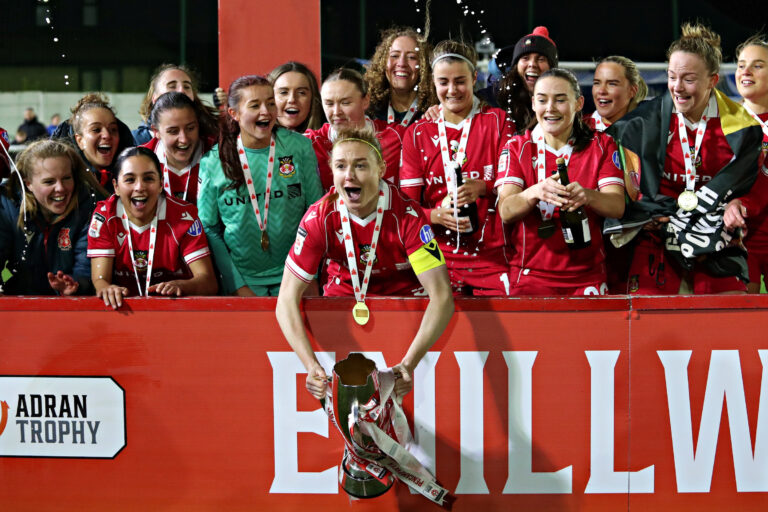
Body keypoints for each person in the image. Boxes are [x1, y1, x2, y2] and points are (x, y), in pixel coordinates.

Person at [276, 127, 453, 399]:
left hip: (402, 306)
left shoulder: (407, 215)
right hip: (344, 300)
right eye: (340, 166)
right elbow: (286, 299)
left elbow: (441, 296)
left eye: (360, 165)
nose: (349, 175)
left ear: (381, 168)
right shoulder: (319, 218)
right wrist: (310, 366)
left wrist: (408, 364)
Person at [606, 23, 762, 295]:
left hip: (715, 239)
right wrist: (644, 207)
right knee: (649, 329)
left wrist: (738, 205)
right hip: (656, 235)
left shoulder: (742, 128)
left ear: (713, 80)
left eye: (688, 79)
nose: (677, 87)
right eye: (671, 77)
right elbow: (607, 164)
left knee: (726, 327)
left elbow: (750, 187)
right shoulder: (646, 120)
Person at [400, 39, 515, 295]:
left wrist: (483, 187)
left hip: (493, 260)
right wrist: (434, 216)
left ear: (475, 78)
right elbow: (406, 208)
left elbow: (516, 190)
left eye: (460, 81)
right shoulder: (417, 133)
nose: (452, 90)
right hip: (436, 259)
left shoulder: (498, 123)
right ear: (433, 82)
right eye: (443, 82)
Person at [496, 69, 626, 295]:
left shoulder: (601, 145)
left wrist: (588, 195)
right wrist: (533, 192)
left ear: (578, 104)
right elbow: (505, 211)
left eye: (560, 100)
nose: (550, 108)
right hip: (530, 275)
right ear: (533, 104)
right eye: (542, 100)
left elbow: (617, 206)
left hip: (587, 276)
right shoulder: (517, 147)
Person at [198, 75, 323, 296]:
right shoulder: (213, 162)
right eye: (255, 105)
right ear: (234, 114)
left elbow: (315, 213)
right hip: (244, 281)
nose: (266, 112)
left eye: (270, 103)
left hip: (296, 274)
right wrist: (236, 284)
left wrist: (309, 274)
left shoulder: (299, 147)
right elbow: (209, 228)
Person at [87, 147, 217, 309]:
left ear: (161, 184)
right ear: (116, 186)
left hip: (175, 309)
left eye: (148, 179)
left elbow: (208, 282)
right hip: (124, 309)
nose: (139, 187)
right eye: (129, 180)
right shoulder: (105, 217)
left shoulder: (184, 216)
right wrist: (107, 289)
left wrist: (183, 286)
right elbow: (100, 280)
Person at [1, 140, 104, 295]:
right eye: (49, 181)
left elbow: (86, 265)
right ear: (28, 183)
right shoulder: (7, 205)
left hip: (71, 307)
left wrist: (74, 283)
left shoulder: (89, 207)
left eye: (66, 178)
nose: (60, 188)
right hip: (18, 304)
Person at [305, 68, 404, 190]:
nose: (336, 112)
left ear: (365, 101)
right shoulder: (310, 143)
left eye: (345, 103)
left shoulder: (397, 136)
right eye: (329, 104)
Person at [723, 35, 768, 293]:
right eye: (741, 65)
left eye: (758, 65)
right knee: (743, 322)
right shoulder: (723, 122)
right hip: (737, 238)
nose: (746, 71)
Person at [141, 92, 217, 204]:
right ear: (156, 131)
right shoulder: (140, 160)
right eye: (173, 131)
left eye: (190, 128)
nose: (184, 139)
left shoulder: (216, 154)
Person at [51, 93, 134, 194]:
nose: (107, 135)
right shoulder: (62, 186)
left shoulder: (132, 180)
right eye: (96, 129)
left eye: (113, 129)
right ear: (80, 141)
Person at [364, 26, 437, 127]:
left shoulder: (433, 115)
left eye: (411, 57)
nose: (402, 63)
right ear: (382, 63)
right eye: (394, 56)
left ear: (423, 65)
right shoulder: (369, 112)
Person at [133, 64, 219, 146]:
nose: (181, 90)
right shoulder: (134, 141)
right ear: (155, 98)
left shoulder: (212, 136)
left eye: (186, 86)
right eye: (172, 86)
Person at [493, 26, 558, 131]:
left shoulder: (563, 104)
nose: (532, 64)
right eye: (525, 58)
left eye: (541, 59)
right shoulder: (496, 97)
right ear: (516, 66)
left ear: (551, 68)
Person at [588, 56, 648, 131]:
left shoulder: (649, 131)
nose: (601, 91)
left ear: (632, 91)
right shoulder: (577, 130)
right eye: (597, 83)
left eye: (612, 84)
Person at [268, 61, 324, 133]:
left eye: (301, 93)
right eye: (284, 92)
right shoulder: (253, 142)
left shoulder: (329, 141)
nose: (292, 99)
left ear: (313, 99)